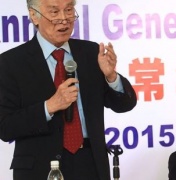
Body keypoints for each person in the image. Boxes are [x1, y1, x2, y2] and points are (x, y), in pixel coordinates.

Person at [0, 0, 137, 179]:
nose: (64, 19)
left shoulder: (91, 53)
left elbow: (125, 104)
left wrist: (111, 77)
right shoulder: (10, 63)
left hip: (91, 164)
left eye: (69, 10)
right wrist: (49, 107)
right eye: (54, 12)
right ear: (34, 15)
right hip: (39, 168)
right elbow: (5, 127)